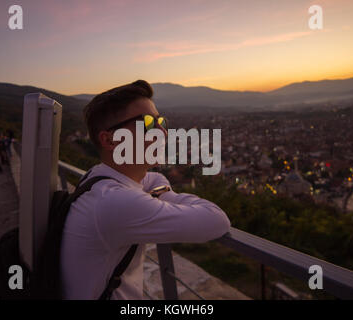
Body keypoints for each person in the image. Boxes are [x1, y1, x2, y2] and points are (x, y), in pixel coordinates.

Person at [60, 80, 231, 300]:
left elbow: (152, 178)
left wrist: (158, 190)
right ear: (109, 140)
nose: (163, 133)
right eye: (148, 124)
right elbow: (217, 220)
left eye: (161, 122)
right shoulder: (115, 202)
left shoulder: (96, 177)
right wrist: (166, 195)